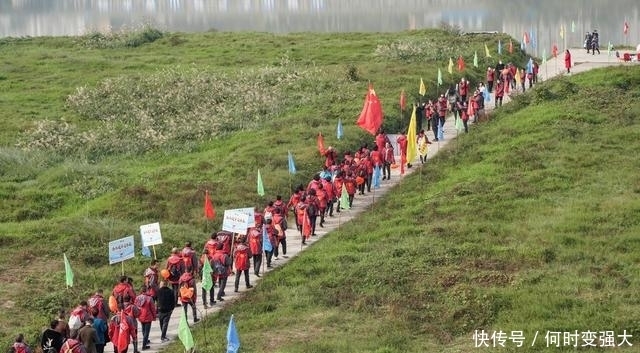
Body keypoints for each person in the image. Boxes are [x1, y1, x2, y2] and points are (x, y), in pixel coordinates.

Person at [135, 285, 156, 350]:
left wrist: (137, 315)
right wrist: (154, 316)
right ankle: (144, 346)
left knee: (143, 330)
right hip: (148, 316)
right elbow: (153, 308)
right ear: (146, 290)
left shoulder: (137, 298)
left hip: (140, 316)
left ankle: (145, 341)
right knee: (147, 332)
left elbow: (135, 307)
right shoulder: (149, 298)